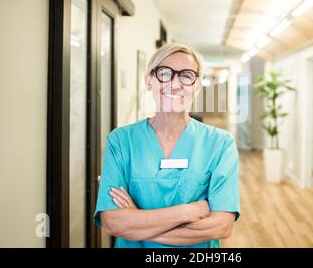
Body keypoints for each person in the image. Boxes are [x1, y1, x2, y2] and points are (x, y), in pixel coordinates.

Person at [94, 43, 240, 248]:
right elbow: (113, 223)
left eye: (186, 76)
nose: (175, 84)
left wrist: (137, 222)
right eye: (164, 73)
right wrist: (187, 212)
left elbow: (221, 226)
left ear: (196, 87)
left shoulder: (220, 144)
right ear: (148, 81)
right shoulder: (121, 141)